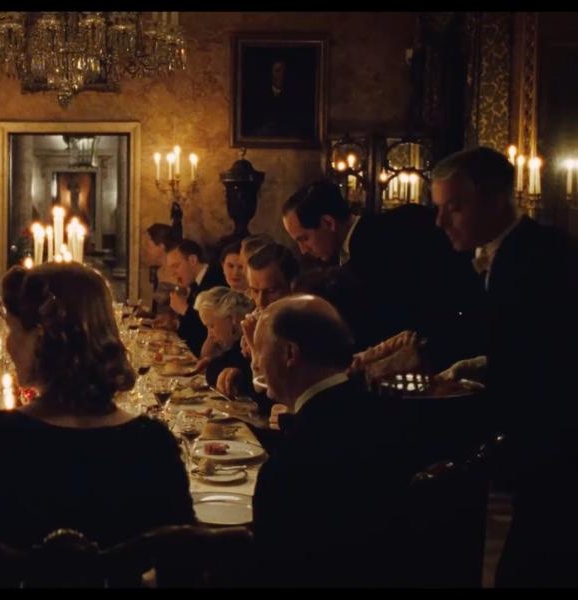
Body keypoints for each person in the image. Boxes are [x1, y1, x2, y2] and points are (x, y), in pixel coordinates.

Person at [0, 263, 195, 549]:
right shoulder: (152, 444)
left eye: (12, 329)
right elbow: (185, 559)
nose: (9, 344)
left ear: (39, 338)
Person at [430, 147, 578, 587]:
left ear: (497, 200)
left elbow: (555, 358)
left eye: (454, 207)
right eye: (439, 208)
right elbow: (524, 342)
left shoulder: (547, 255)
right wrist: (479, 364)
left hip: (554, 445)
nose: (441, 221)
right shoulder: (497, 254)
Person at [249, 294, 409, 586]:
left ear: (289, 353)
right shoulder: (380, 412)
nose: (257, 363)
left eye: (259, 350)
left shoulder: (289, 467)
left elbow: (272, 569)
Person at [281, 179, 483, 369]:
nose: (303, 250)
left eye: (304, 239)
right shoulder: (352, 251)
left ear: (328, 223)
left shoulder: (380, 245)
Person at [164, 239, 224, 357]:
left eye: (176, 266)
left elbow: (206, 329)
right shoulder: (196, 283)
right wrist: (176, 323)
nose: (173, 273)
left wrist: (184, 309)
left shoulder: (214, 279)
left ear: (192, 260)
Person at [194, 287, 255, 397]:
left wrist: (212, 362)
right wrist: (210, 359)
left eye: (211, 326)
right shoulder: (235, 346)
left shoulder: (247, 341)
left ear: (232, 319)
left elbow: (213, 372)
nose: (210, 334)